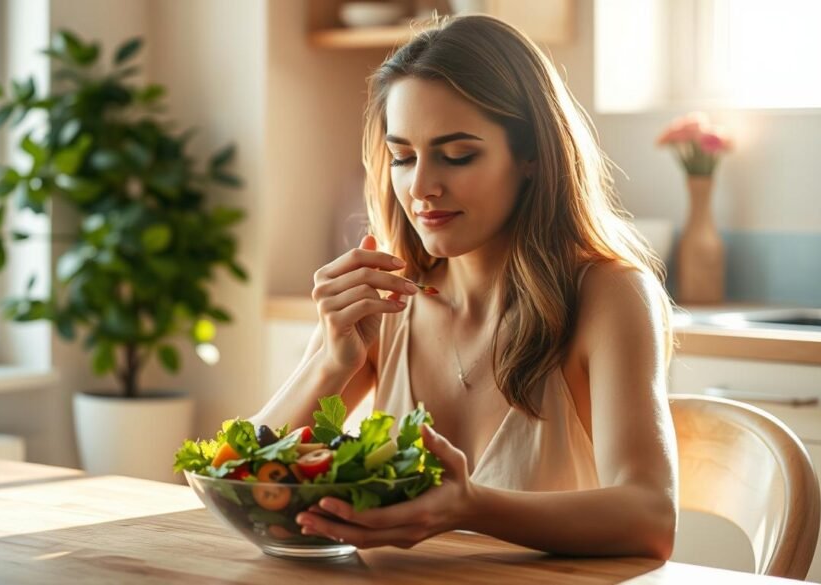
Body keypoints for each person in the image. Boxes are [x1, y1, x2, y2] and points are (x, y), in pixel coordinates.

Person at [250, 14, 677, 559]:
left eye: (457, 155)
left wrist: (469, 505)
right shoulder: (386, 295)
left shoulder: (607, 294)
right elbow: (231, 475)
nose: (422, 186)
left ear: (532, 156)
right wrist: (330, 364)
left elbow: (651, 517)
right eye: (403, 157)